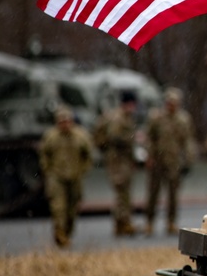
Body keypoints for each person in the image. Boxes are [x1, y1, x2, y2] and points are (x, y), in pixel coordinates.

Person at [38, 107, 94, 248]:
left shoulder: (81, 136)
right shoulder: (51, 137)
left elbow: (88, 154)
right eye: (61, 121)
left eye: (67, 121)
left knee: (72, 207)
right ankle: (60, 233)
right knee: (59, 207)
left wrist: (83, 170)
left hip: (75, 175)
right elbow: (44, 154)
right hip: (57, 176)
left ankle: (67, 233)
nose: (65, 124)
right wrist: (48, 170)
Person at [145, 87, 195, 235]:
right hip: (158, 160)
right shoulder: (157, 118)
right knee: (153, 192)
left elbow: (187, 141)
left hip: (174, 161)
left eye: (174, 102)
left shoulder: (183, 120)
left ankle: (171, 222)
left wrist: (188, 159)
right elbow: (150, 138)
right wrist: (149, 156)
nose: (171, 105)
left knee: (173, 194)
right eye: (169, 102)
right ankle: (149, 222)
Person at [93, 91, 139, 237]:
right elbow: (115, 136)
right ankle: (122, 222)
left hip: (122, 159)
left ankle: (123, 223)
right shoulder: (119, 118)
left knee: (124, 191)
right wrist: (132, 137)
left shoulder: (123, 117)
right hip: (118, 160)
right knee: (122, 192)